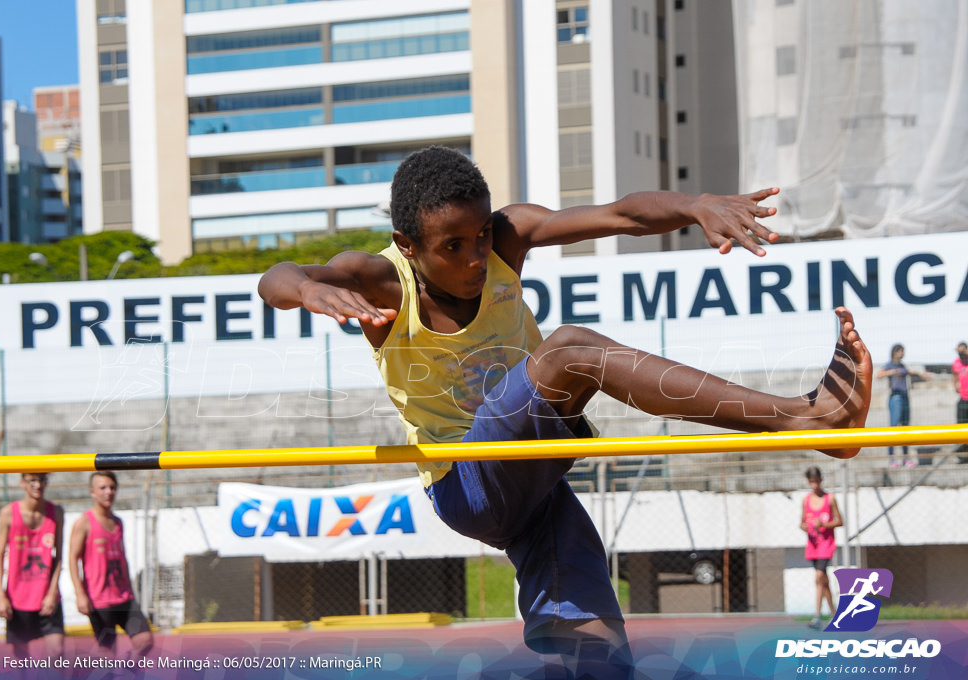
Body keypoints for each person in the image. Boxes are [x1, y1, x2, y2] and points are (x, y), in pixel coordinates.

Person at [258, 147, 873, 668]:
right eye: (453, 246)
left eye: (478, 238)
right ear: (408, 245)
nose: (475, 259)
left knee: (598, 650)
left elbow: (620, 215)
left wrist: (693, 206)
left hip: (537, 481)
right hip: (467, 482)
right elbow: (275, 277)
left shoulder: (507, 237)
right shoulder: (379, 280)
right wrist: (311, 290)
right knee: (569, 350)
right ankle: (806, 416)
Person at [68, 471, 153, 660]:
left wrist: (130, 588)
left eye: (112, 487)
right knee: (107, 652)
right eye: (103, 488)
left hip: (124, 596)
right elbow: (73, 558)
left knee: (145, 640)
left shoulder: (118, 522)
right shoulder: (84, 523)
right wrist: (80, 594)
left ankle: (125, 670)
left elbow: (123, 558)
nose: (108, 492)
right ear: (93, 492)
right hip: (99, 599)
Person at [0, 472, 65, 664]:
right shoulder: (9, 513)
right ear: (22, 483)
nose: (37, 485)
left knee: (57, 651)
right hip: (18, 596)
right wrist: (1, 595)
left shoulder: (56, 512)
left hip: (45, 595)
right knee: (21, 657)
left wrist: (52, 592)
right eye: (32, 480)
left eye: (41, 480)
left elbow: (58, 556)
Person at [799, 466, 843, 629]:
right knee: (823, 581)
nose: (815, 485)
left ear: (821, 481)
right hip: (813, 544)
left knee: (818, 577)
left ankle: (817, 616)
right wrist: (808, 527)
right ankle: (834, 614)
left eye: (817, 482)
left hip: (826, 544)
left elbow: (840, 521)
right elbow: (802, 523)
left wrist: (823, 524)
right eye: (812, 482)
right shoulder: (806, 500)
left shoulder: (830, 499)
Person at [876, 343, 931, 467]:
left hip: (905, 397)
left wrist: (922, 374)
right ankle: (892, 460)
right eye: (900, 351)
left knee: (905, 429)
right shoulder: (889, 365)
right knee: (894, 429)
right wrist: (892, 372)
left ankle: (905, 458)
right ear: (895, 352)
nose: (902, 353)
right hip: (896, 398)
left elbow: (910, 372)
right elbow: (879, 375)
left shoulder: (902, 366)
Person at [954, 342, 968, 459]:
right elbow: (954, 375)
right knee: (962, 427)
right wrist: (955, 386)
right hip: (963, 399)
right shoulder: (957, 363)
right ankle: (963, 454)